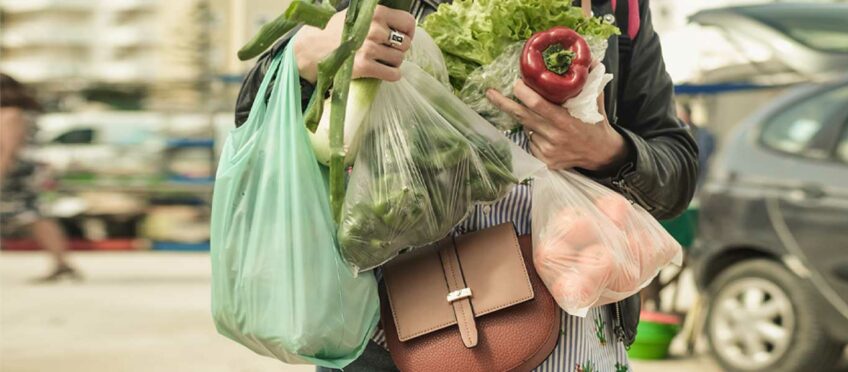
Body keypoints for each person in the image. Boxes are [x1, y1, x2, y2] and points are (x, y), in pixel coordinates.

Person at [234, 0, 699, 370]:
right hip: (392, 333)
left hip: (571, 329)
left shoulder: (613, 7)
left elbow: (677, 170)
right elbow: (252, 119)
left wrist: (607, 151)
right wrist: (309, 56)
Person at [0, 73, 80, 282]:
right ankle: (62, 264)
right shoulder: (20, 112)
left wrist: (2, 173)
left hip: (16, 173)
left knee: (33, 216)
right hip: (23, 171)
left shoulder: (11, 114)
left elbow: (8, 149)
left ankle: (62, 263)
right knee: (34, 215)